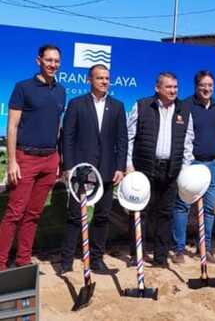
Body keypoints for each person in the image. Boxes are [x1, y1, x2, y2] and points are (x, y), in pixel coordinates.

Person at [0, 45, 66, 271]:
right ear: (39, 61)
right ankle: (0, 263)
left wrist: (57, 159)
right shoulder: (23, 88)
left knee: (34, 214)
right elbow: (12, 126)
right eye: (48, 60)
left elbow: (57, 126)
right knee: (14, 213)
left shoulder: (61, 91)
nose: (53, 64)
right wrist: (12, 161)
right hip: (25, 158)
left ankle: (23, 260)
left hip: (50, 159)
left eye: (56, 61)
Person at [59, 64, 128, 275]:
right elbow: (67, 138)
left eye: (107, 78)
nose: (104, 82)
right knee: (74, 217)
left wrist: (120, 167)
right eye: (100, 78)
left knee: (102, 217)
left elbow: (122, 140)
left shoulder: (117, 106)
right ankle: (66, 261)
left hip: (107, 170)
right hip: (82, 171)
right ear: (90, 80)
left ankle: (97, 260)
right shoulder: (76, 104)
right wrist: (69, 167)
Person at [126, 72, 194, 267]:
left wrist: (185, 169)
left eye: (175, 87)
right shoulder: (141, 106)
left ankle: (160, 257)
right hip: (144, 167)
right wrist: (129, 166)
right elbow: (129, 137)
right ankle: (136, 254)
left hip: (171, 170)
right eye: (169, 87)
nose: (173, 91)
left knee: (165, 213)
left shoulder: (185, 110)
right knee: (140, 211)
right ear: (158, 88)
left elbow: (188, 143)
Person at [171, 71, 215, 264]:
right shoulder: (185, 106)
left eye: (210, 85)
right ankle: (178, 249)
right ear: (196, 86)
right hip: (191, 164)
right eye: (203, 85)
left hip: (211, 164)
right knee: (182, 206)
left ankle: (205, 248)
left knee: (209, 209)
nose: (207, 88)